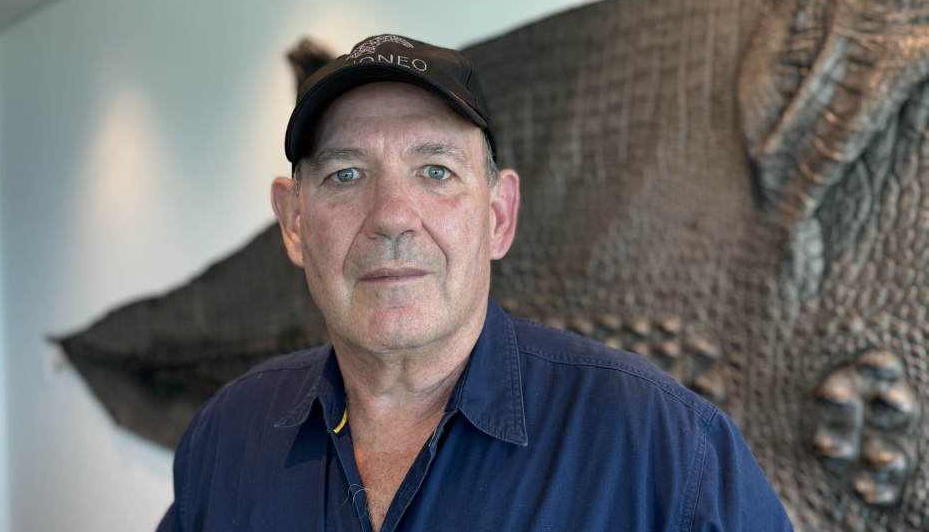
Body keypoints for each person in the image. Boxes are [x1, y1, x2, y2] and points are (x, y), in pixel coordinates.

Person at [157, 34, 793, 532]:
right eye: (346, 175)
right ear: (295, 224)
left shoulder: (665, 450)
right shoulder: (225, 441)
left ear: (498, 216)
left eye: (435, 170)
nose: (392, 217)